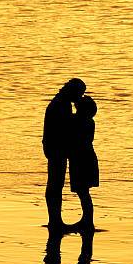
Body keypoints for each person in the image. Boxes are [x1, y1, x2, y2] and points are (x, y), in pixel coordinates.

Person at [43, 78, 86, 231]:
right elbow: (64, 128)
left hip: (54, 147)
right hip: (56, 149)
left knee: (55, 184)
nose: (80, 97)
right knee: (55, 184)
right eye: (80, 94)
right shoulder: (61, 105)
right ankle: (55, 221)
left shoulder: (60, 103)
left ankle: (55, 220)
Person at [68, 95, 99, 231]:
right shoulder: (89, 121)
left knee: (83, 191)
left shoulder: (78, 121)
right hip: (87, 157)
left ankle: (87, 221)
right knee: (83, 191)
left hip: (81, 159)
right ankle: (86, 220)